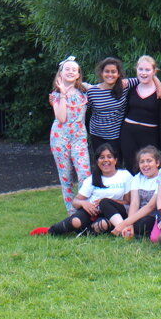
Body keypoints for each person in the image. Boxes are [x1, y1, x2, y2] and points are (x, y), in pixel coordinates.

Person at [32, 143, 132, 236]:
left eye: (109, 157)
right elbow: (75, 202)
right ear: (97, 162)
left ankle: (119, 229)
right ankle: (51, 231)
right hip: (93, 211)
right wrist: (84, 203)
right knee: (75, 221)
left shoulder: (125, 175)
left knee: (103, 221)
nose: (106, 160)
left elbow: (128, 202)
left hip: (115, 213)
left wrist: (107, 201)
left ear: (115, 160)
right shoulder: (91, 179)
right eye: (102, 157)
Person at [48, 56, 91, 214]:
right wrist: (63, 94)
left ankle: (84, 209)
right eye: (67, 69)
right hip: (60, 139)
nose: (71, 72)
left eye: (74, 69)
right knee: (65, 176)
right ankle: (71, 213)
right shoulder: (56, 95)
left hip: (79, 138)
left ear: (78, 74)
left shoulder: (85, 90)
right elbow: (61, 117)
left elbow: (105, 87)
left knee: (84, 174)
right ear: (61, 73)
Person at [120, 55, 161, 172]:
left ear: (154, 71)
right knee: (131, 167)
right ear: (136, 70)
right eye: (141, 69)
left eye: (147, 70)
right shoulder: (131, 88)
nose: (143, 73)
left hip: (150, 136)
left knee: (149, 168)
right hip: (128, 134)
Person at [85, 57, 139, 159]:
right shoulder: (92, 91)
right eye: (107, 71)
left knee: (115, 162)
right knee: (100, 162)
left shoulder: (124, 86)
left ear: (118, 74)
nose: (110, 74)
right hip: (96, 134)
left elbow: (145, 77)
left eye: (113, 72)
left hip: (116, 135)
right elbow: (82, 110)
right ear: (101, 73)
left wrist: (159, 88)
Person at [112, 145, 161, 238]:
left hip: (153, 216)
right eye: (142, 162)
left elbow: (151, 206)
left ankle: (120, 227)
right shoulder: (137, 178)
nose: (145, 164)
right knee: (106, 203)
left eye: (149, 161)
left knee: (142, 224)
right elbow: (134, 203)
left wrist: (125, 223)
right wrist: (129, 224)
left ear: (157, 163)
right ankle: (126, 229)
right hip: (138, 215)